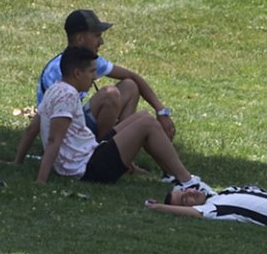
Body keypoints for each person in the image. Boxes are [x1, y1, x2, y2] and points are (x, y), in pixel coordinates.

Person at [34, 45, 214, 196]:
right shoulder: (68, 95)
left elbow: (34, 126)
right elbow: (54, 139)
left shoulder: (56, 89)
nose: (94, 77)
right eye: (91, 72)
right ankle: (187, 181)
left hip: (90, 155)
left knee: (143, 116)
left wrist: (17, 160)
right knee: (147, 124)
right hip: (89, 169)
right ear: (76, 74)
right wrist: (41, 180)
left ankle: (171, 175)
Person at [14, 9, 176, 168]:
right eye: (97, 36)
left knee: (130, 86)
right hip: (64, 137)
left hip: (77, 128)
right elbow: (40, 122)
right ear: (80, 39)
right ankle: (106, 154)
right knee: (110, 95)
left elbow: (133, 77)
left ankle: (123, 154)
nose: (101, 42)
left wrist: (161, 111)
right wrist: (23, 164)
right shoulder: (60, 71)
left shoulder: (88, 62)